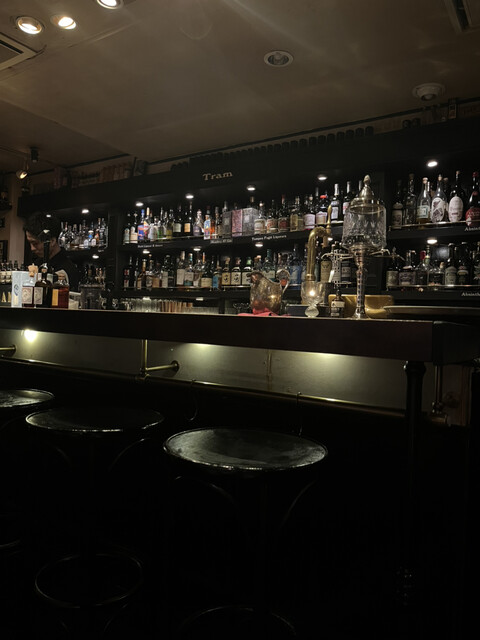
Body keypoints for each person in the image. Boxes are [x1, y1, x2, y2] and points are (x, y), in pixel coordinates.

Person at [23, 212, 80, 291]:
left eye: (35, 243)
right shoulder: (37, 264)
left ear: (52, 241)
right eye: (30, 243)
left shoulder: (67, 270)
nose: (32, 248)